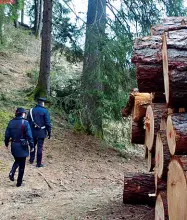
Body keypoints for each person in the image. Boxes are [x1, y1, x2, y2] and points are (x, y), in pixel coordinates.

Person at [5, 108, 34, 187]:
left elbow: (7, 134)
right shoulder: (25, 122)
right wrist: (32, 146)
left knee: (17, 160)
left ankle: (12, 172)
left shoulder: (11, 122)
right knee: (22, 165)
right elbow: (29, 136)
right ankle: (19, 183)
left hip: (14, 145)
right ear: (22, 114)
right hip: (22, 145)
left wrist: (6, 143)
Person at [27, 97, 51, 167]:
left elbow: (27, 122)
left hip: (32, 132)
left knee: (32, 145)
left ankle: (31, 160)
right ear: (43, 103)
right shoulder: (45, 111)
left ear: (37, 103)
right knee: (40, 147)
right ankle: (38, 163)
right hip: (41, 132)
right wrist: (49, 132)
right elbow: (48, 123)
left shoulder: (31, 110)